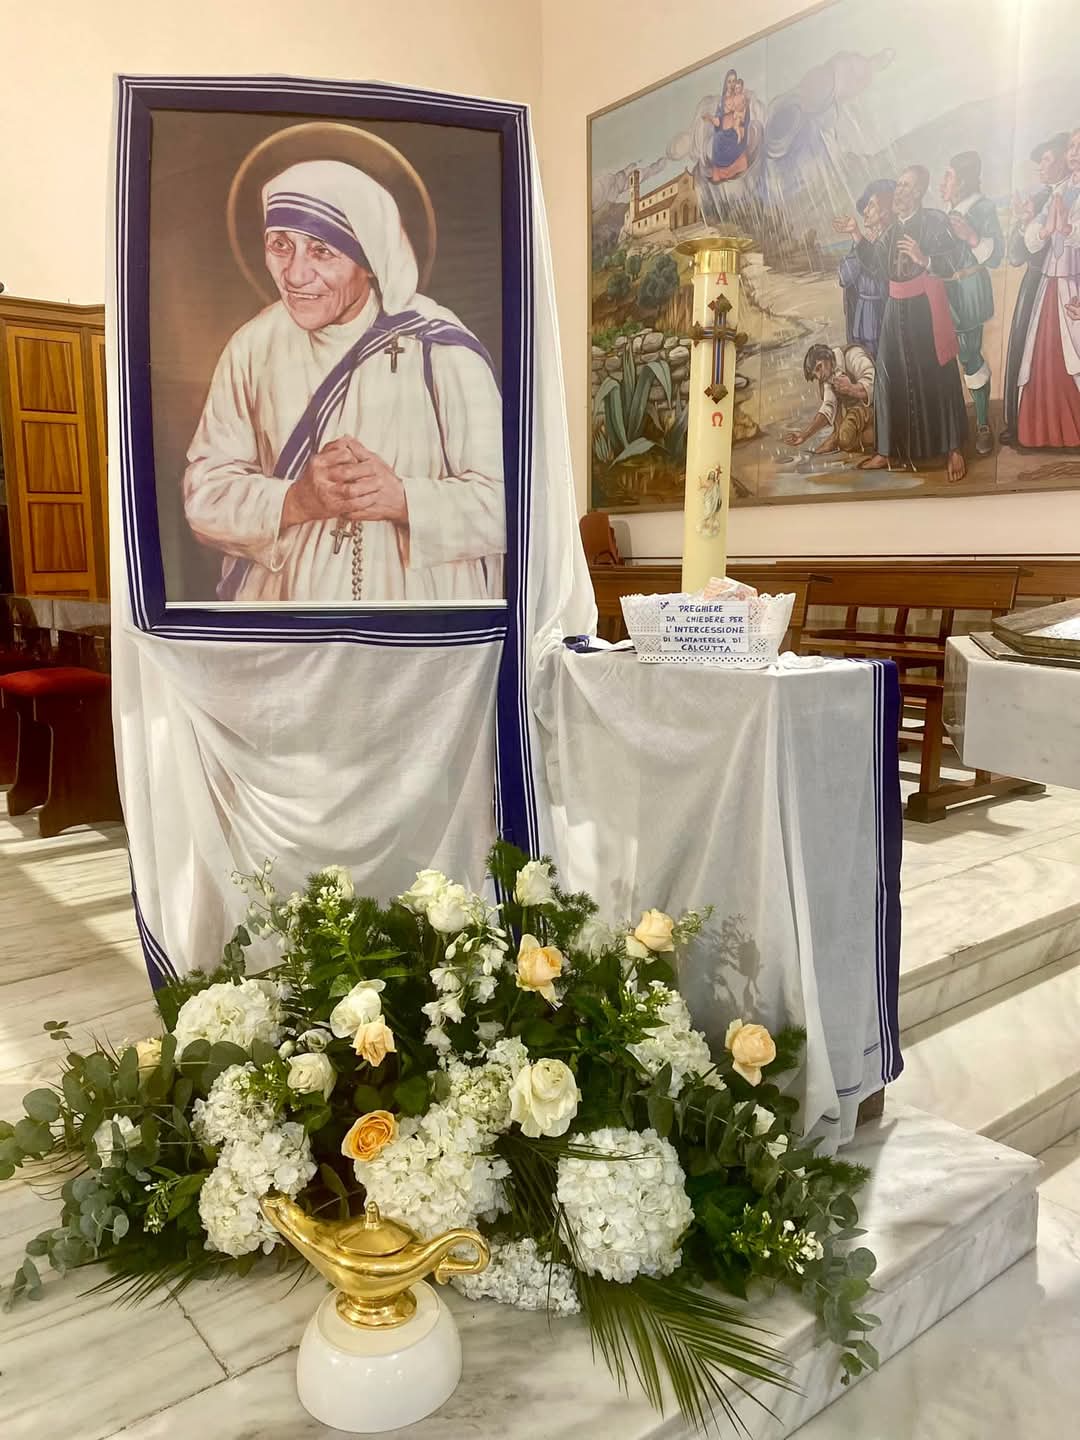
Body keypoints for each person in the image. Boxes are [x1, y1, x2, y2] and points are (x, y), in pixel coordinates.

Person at [183, 157, 505, 604]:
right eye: (280, 245)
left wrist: (403, 500)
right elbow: (204, 499)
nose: (295, 274)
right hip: (291, 618)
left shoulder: (440, 347)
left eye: (321, 251)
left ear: (369, 259)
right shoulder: (252, 348)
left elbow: (510, 507)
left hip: (414, 620)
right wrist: (296, 501)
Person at [835, 165, 969, 482]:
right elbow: (876, 265)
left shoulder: (934, 222)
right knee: (887, 375)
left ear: (919, 191)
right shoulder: (892, 231)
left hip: (925, 305)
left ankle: (953, 448)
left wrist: (926, 259)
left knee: (938, 374)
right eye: (898, 185)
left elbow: (956, 259)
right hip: (895, 310)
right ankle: (885, 449)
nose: (899, 191)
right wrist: (856, 234)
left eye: (906, 186)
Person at [1010, 128, 1080, 448]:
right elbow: (1034, 238)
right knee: (1043, 359)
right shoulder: (1057, 193)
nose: (1074, 153)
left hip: (1073, 283)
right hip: (1051, 286)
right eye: (1072, 147)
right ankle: (1045, 433)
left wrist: (1066, 228)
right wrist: (1039, 228)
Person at [939, 151, 1003, 455]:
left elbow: (996, 255)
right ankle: (948, 422)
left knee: (968, 354)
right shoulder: (945, 212)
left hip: (968, 291)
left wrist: (972, 236)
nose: (943, 183)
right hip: (943, 293)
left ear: (963, 181)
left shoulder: (983, 208)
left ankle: (982, 423)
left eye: (948, 176)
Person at [785, 342, 876, 454]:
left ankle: (877, 436)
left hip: (877, 408)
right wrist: (804, 435)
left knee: (846, 438)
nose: (819, 376)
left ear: (827, 356)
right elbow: (828, 407)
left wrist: (851, 388)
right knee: (845, 436)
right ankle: (841, 438)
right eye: (815, 375)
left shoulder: (852, 354)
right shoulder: (828, 375)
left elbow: (874, 384)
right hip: (857, 412)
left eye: (819, 367)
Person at [836, 179, 894, 355]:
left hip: (881, 316)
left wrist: (859, 238)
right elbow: (844, 277)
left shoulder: (891, 240)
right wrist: (858, 241)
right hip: (860, 316)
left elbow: (881, 272)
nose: (865, 212)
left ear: (885, 212)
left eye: (871, 206)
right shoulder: (863, 241)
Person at [710, 70, 750, 182]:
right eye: (729, 81)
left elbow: (745, 113)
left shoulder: (739, 96)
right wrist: (712, 119)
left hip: (735, 128)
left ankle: (738, 168)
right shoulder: (722, 101)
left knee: (736, 135)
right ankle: (720, 174)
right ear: (726, 83)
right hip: (724, 131)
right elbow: (718, 120)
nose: (732, 84)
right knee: (717, 139)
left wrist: (741, 125)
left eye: (733, 81)